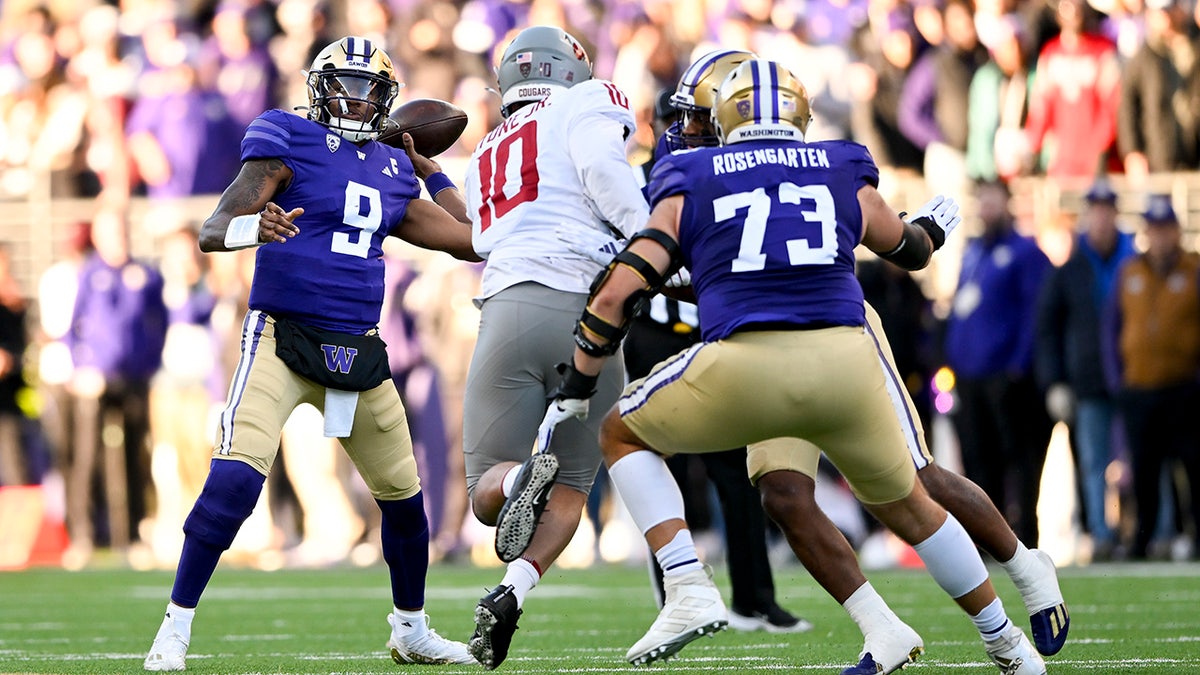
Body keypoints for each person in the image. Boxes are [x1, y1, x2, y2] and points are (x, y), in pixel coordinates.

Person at [536, 58, 1048, 674]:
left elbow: (617, 295)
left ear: (726, 115)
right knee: (902, 504)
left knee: (620, 431)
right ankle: (1006, 644)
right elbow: (907, 249)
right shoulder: (838, 164)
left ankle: (687, 586)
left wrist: (579, 381)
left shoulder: (692, 174)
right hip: (845, 364)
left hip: (750, 365)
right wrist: (933, 229)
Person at [143, 36, 481, 671]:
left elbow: (471, 242)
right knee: (237, 479)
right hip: (281, 336)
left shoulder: (392, 166)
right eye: (346, 84)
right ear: (319, 86)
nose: (357, 100)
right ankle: (174, 628)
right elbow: (214, 228)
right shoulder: (285, 135)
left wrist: (433, 171)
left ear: (387, 100)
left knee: (406, 501)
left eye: (370, 89)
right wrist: (253, 226)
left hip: (356, 348)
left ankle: (410, 627)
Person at [459, 25, 649, 670]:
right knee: (573, 480)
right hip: (591, 312)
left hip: (508, 305)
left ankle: (518, 480)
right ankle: (518, 586)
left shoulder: (485, 147)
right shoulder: (588, 100)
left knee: (486, 491)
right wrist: (652, 242)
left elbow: (480, 237)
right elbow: (605, 172)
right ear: (572, 70)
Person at [629, 60, 808, 634]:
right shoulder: (640, 183)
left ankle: (757, 597)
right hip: (655, 333)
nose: (676, 131)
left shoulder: (722, 179)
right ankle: (676, 600)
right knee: (666, 474)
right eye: (670, 121)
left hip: (712, 332)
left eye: (686, 120)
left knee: (736, 471)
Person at [944, 178, 1054, 548]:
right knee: (978, 462)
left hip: (1006, 378)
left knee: (1018, 462)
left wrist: (1017, 367)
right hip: (971, 379)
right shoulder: (973, 253)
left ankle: (1022, 541)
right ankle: (986, 542)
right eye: (982, 201)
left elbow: (1033, 314)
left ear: (1008, 204)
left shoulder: (1025, 253)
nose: (987, 208)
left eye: (993, 200)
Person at [1035, 179, 1136, 560]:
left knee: (1141, 459)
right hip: (1089, 379)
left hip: (1136, 377)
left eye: (1107, 210)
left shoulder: (1132, 260)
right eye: (1096, 210)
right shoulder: (1071, 269)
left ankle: (1146, 531)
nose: (1102, 218)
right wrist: (1055, 380)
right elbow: (1048, 326)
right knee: (1093, 460)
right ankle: (1102, 533)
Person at [1104, 194, 1200, 560]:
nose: (1160, 238)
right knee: (1143, 471)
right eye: (1153, 230)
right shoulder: (1129, 272)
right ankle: (1141, 540)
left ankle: (1195, 536)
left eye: (1165, 230)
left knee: (1192, 469)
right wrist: (1119, 381)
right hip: (1139, 389)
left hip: (1184, 389)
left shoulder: (1193, 269)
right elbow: (1111, 328)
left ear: (1176, 231)